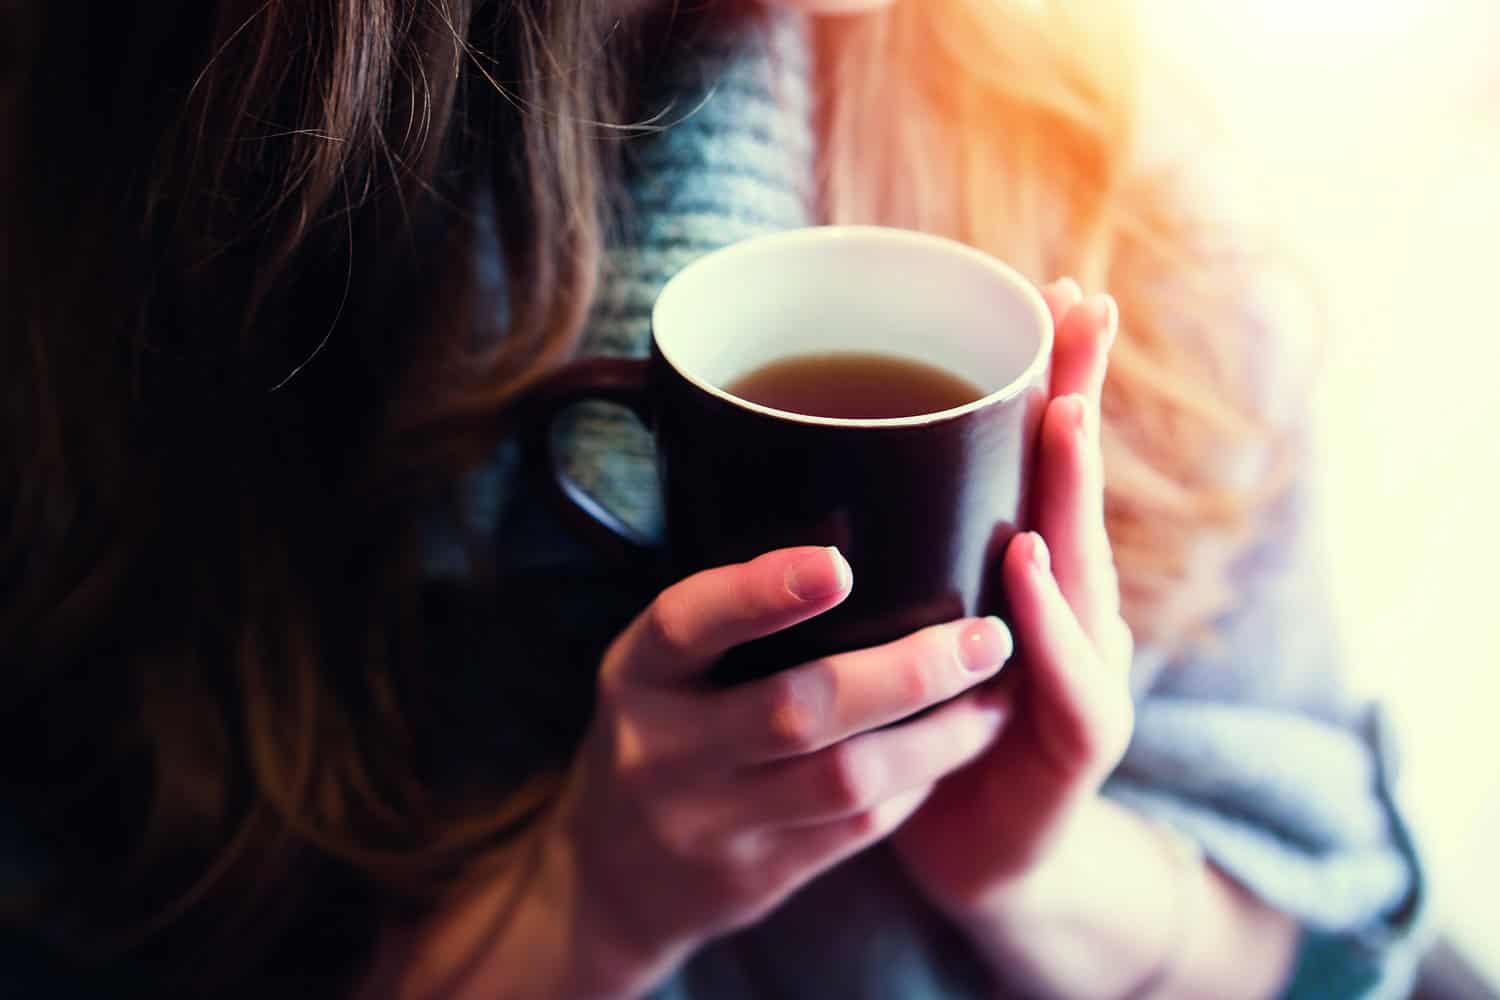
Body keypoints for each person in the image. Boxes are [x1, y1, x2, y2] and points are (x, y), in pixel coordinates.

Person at [0, 0, 1426, 997]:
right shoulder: (170, 261)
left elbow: (1331, 949)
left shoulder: (1114, 184)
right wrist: (589, 909)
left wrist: (1030, 866)